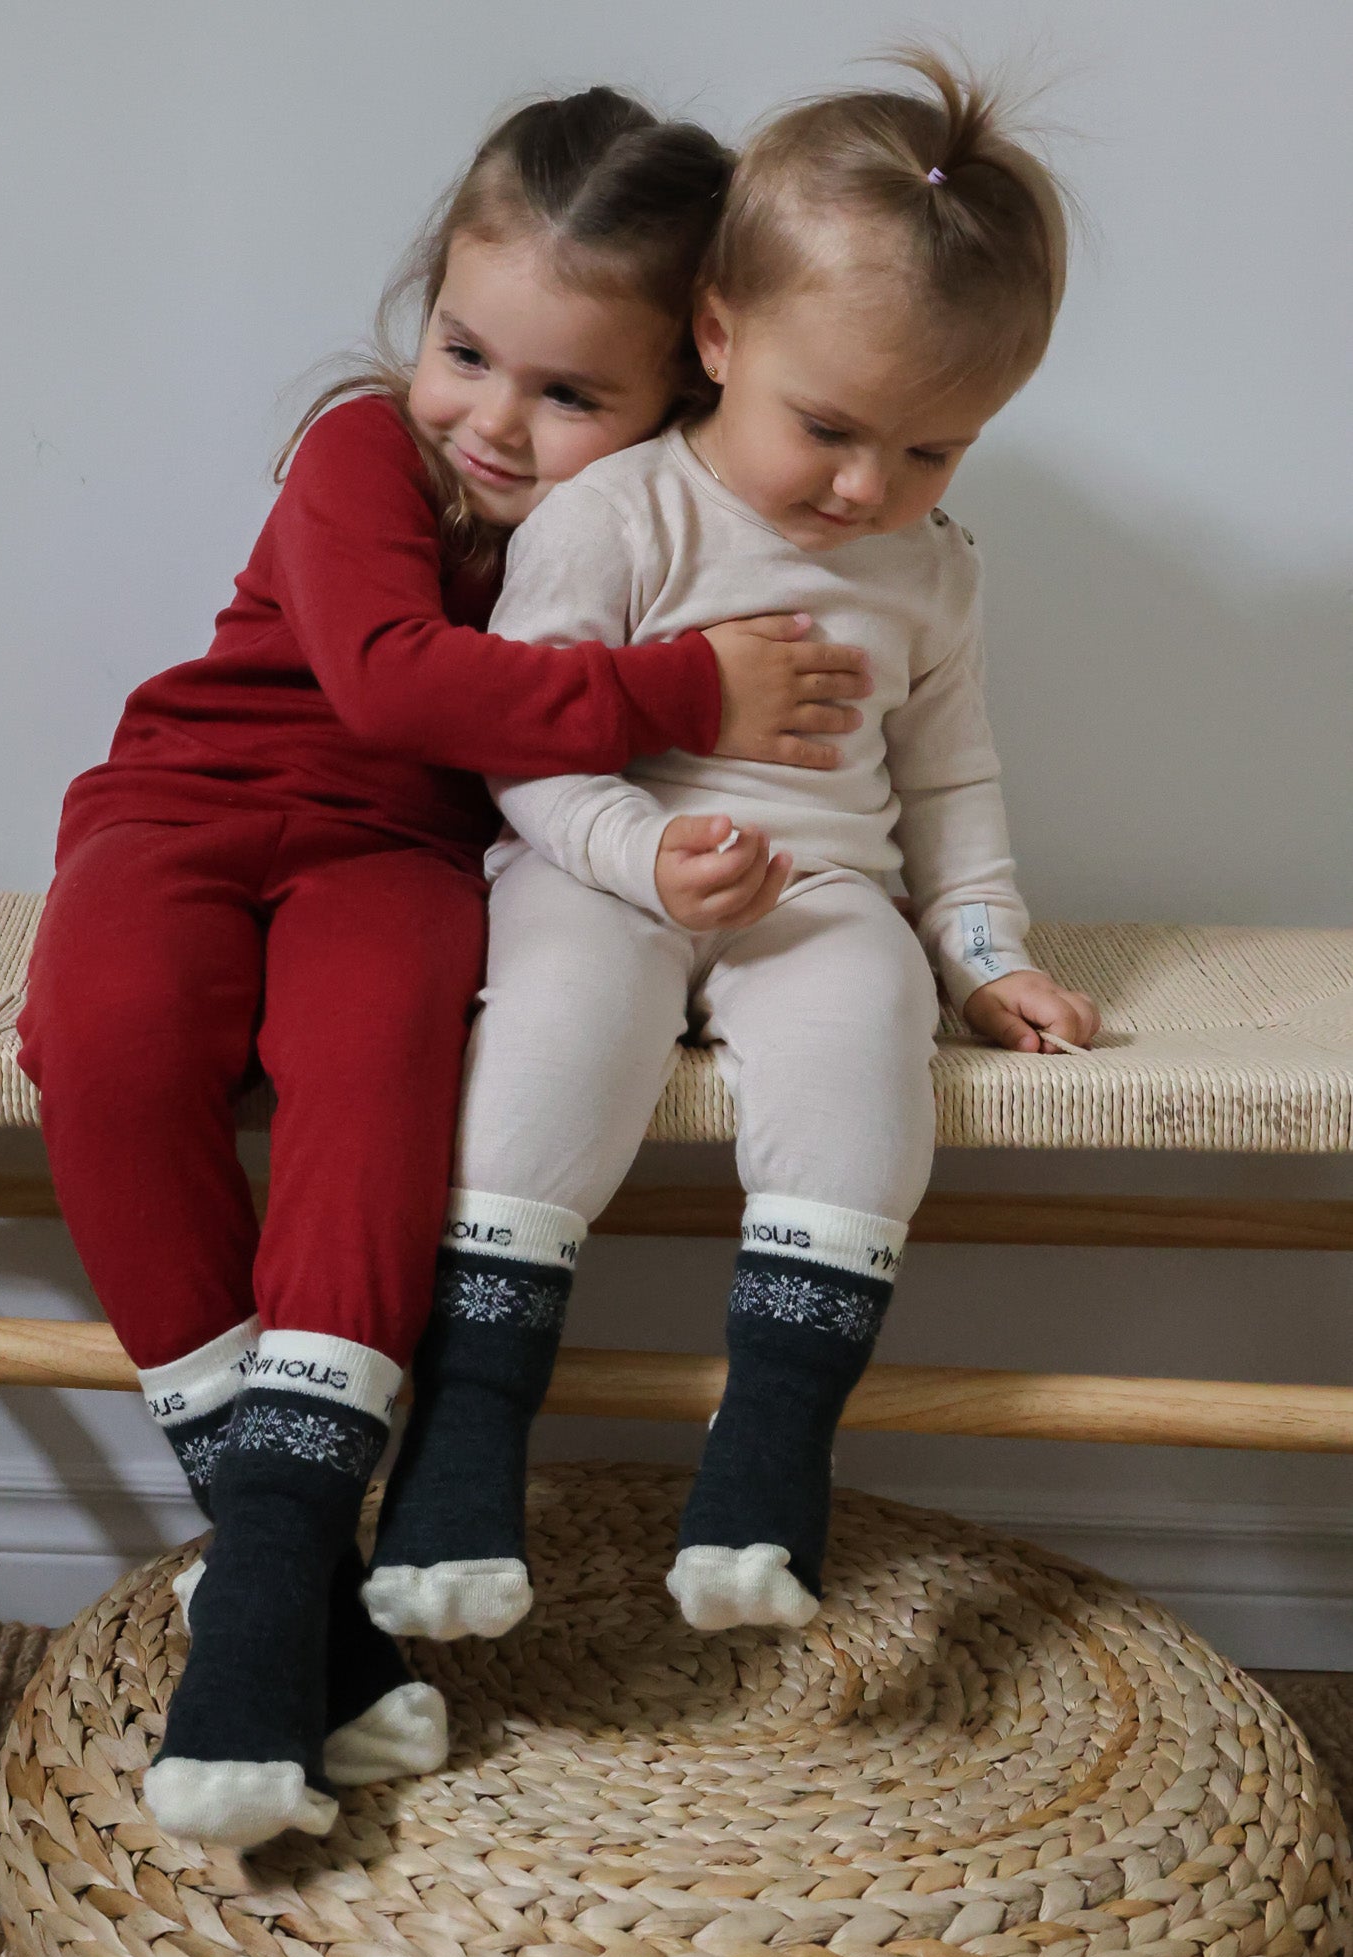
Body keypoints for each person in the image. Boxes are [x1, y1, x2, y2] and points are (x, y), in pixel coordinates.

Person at [16, 86, 874, 1848]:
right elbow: (395, 680)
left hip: (405, 858)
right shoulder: (360, 448)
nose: (492, 418)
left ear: (680, 392)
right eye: (467, 350)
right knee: (97, 1043)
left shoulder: (654, 516)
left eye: (568, 392)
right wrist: (684, 689)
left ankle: (265, 1580)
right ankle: (294, 1581)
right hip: (187, 800)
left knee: (385, 1076)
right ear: (426, 308)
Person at [365, 49, 1102, 1647]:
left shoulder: (932, 575)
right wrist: (637, 858)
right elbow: (524, 746)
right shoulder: (622, 515)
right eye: (830, 428)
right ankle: (463, 1453)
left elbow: (954, 792)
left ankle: (768, 1467)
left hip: (821, 888)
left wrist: (984, 959)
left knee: (863, 1053)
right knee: (553, 1037)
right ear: (717, 336)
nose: (866, 487)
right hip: (596, 862)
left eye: (931, 451)